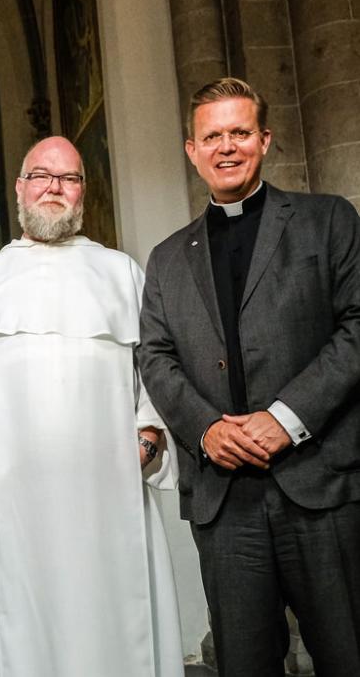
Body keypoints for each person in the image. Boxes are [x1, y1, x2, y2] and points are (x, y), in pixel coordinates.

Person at [139, 77, 360, 677]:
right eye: (213, 136)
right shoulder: (166, 258)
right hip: (225, 499)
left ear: (265, 139)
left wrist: (285, 419)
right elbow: (156, 357)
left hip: (319, 488)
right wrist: (206, 429)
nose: (226, 147)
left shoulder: (327, 221)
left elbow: (356, 327)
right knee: (244, 665)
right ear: (192, 150)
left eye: (240, 132)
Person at [0, 136, 183, 677]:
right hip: (15, 504)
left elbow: (155, 373)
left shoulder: (122, 272)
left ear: (83, 192)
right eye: (41, 175)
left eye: (69, 178)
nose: (54, 187)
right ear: (20, 188)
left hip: (111, 494)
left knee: (121, 625)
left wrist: (147, 439)